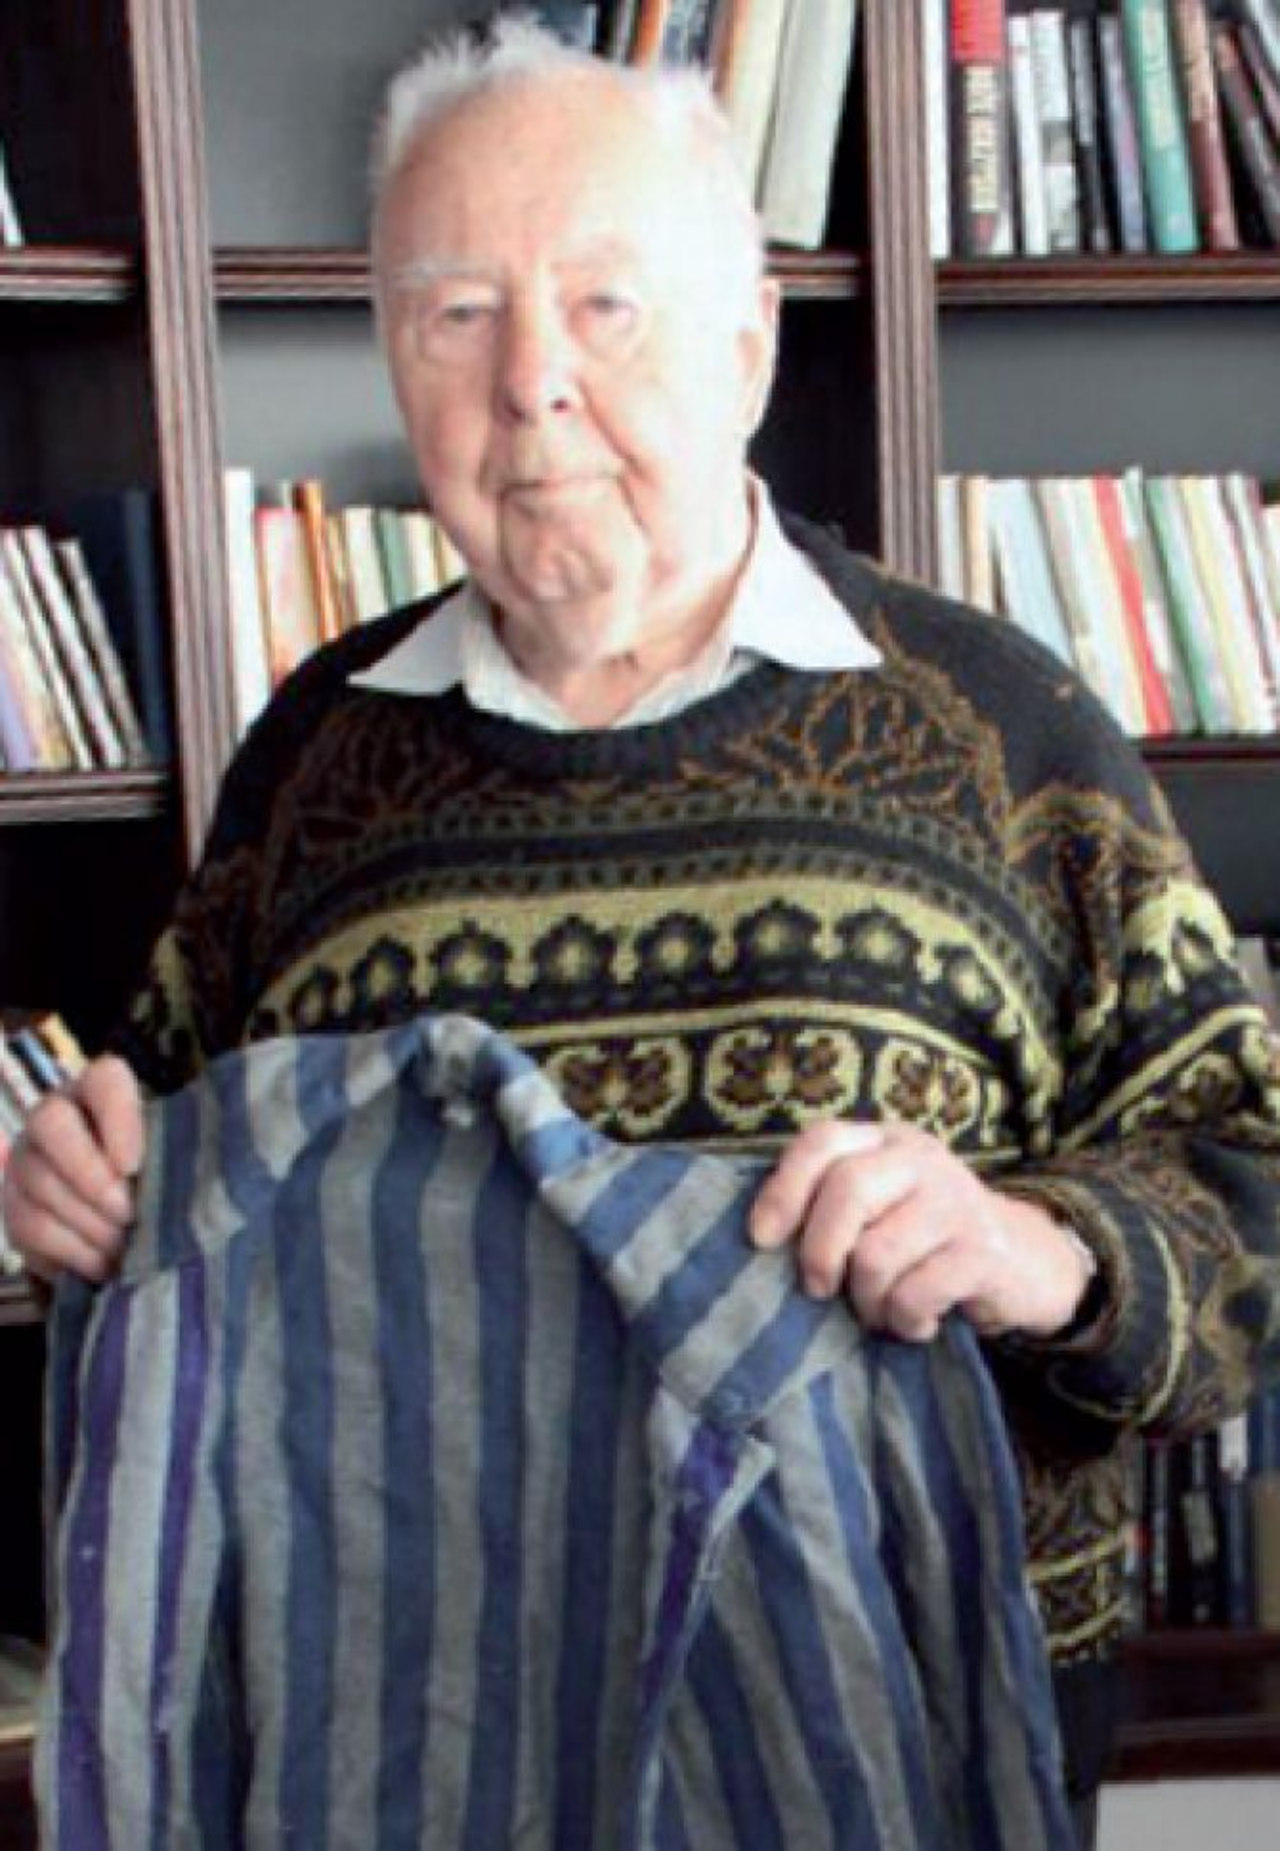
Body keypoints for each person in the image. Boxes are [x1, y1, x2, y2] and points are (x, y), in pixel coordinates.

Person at [7, 19, 1280, 1848]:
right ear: (394, 356)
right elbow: (168, 1147)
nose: (531, 382)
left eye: (605, 304)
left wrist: (1034, 1248)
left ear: (748, 343)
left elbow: (1252, 1199)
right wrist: (84, 1181)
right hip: (428, 1742)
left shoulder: (1006, 730)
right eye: (457, 313)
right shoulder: (310, 761)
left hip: (903, 1723)